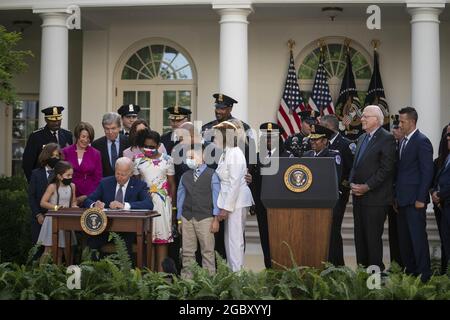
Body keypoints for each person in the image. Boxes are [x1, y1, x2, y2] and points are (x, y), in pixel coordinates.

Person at [349, 105, 397, 271]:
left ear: (376, 119)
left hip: (376, 199)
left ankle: (375, 280)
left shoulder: (387, 138)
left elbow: (386, 169)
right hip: (358, 198)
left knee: (372, 239)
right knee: (359, 239)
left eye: (365, 116)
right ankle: (362, 276)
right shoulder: (362, 138)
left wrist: (367, 187)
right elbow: (356, 166)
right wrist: (351, 183)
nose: (361, 119)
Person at [83, 157, 153, 259]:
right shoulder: (105, 183)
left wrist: (124, 205)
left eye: (123, 174)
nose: (119, 177)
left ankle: (127, 273)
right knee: (92, 241)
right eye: (117, 173)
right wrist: (95, 205)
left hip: (129, 229)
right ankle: (95, 271)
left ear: (131, 173)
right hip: (106, 228)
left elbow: (148, 204)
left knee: (125, 246)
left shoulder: (139, 185)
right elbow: (88, 200)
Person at [395, 107, 434, 282]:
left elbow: (427, 173)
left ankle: (424, 276)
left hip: (415, 201)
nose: (399, 124)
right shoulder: (402, 142)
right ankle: (410, 274)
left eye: (402, 122)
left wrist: (420, 198)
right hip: (402, 200)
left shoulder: (422, 141)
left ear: (411, 122)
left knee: (418, 240)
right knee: (404, 241)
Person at [213, 119, 254, 271]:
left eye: (217, 136)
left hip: (236, 202)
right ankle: (232, 274)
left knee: (235, 241)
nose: (214, 139)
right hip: (229, 202)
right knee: (229, 241)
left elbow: (235, 183)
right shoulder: (226, 153)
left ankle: (237, 278)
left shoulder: (235, 153)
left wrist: (225, 208)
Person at [133, 129, 176, 271]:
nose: (148, 149)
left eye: (152, 146)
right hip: (145, 203)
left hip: (163, 204)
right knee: (146, 240)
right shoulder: (138, 160)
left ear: (158, 145)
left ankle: (161, 278)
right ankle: (148, 275)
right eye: (145, 146)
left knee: (162, 240)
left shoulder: (167, 160)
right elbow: (136, 184)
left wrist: (173, 207)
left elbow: (172, 184)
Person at [177, 144, 220, 277]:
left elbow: (216, 197)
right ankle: (187, 281)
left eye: (192, 156)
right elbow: (180, 198)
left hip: (206, 218)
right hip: (187, 217)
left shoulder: (212, 174)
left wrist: (216, 219)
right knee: (187, 251)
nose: (189, 159)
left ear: (203, 157)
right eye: (188, 157)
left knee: (207, 251)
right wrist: (179, 219)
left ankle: (209, 281)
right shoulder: (185, 176)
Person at [249, 122, 289, 268]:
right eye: (265, 137)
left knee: (282, 239)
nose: (268, 140)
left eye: (272, 137)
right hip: (262, 206)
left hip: (282, 208)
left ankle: (283, 267)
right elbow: (253, 183)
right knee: (265, 238)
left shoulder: (287, 156)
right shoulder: (257, 157)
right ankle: (269, 268)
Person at [319, 115, 353, 265]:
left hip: (338, 194)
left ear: (330, 127)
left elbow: (351, 170)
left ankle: (337, 264)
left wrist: (341, 188)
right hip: (320, 196)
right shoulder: (319, 143)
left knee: (333, 229)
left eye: (322, 126)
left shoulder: (345, 144)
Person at [38, 161, 78, 264]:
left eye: (71, 175)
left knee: (61, 251)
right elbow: (43, 202)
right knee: (49, 250)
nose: (70, 177)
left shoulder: (72, 186)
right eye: (68, 175)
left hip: (66, 221)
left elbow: (73, 201)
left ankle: (58, 274)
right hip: (52, 220)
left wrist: (74, 206)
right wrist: (56, 207)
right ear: (60, 176)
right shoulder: (52, 187)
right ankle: (39, 275)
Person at [201, 93, 255, 165]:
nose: (218, 111)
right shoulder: (206, 128)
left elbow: (250, 153)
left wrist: (247, 172)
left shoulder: (243, 127)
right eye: (217, 107)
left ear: (230, 109)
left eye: (222, 108)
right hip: (210, 172)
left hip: (233, 171)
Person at [22, 106, 73, 182]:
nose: (56, 123)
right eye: (52, 120)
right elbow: (27, 163)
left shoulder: (67, 134)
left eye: (58, 120)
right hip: (42, 181)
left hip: (62, 181)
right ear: (46, 119)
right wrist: (33, 182)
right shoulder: (36, 136)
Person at [28, 143, 61, 245]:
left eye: (57, 156)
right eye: (52, 156)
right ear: (46, 156)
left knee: (56, 247)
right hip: (39, 218)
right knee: (39, 248)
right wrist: (38, 215)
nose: (55, 158)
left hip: (56, 218)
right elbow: (31, 196)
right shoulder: (36, 174)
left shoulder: (61, 175)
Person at [62, 122, 102, 205]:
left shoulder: (96, 153)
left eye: (89, 138)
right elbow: (61, 175)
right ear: (77, 136)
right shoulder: (65, 151)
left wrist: (87, 196)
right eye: (83, 136)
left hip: (89, 195)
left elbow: (98, 178)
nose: (86, 140)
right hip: (68, 193)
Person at [431, 126, 450, 274]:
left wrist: (441, 194)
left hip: (446, 202)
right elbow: (435, 181)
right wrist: (434, 194)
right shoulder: (443, 159)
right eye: (447, 136)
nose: (447, 138)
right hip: (442, 207)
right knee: (445, 242)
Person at [387, 114, 404, 268]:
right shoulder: (391, 146)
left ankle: (404, 265)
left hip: (403, 197)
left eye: (398, 127)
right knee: (393, 234)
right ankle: (395, 265)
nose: (395, 130)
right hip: (390, 196)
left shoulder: (406, 146)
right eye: (394, 127)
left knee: (403, 235)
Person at [92, 112, 129, 177]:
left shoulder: (128, 142)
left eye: (113, 128)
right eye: (107, 129)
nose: (110, 132)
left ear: (119, 127)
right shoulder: (96, 145)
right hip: (105, 183)